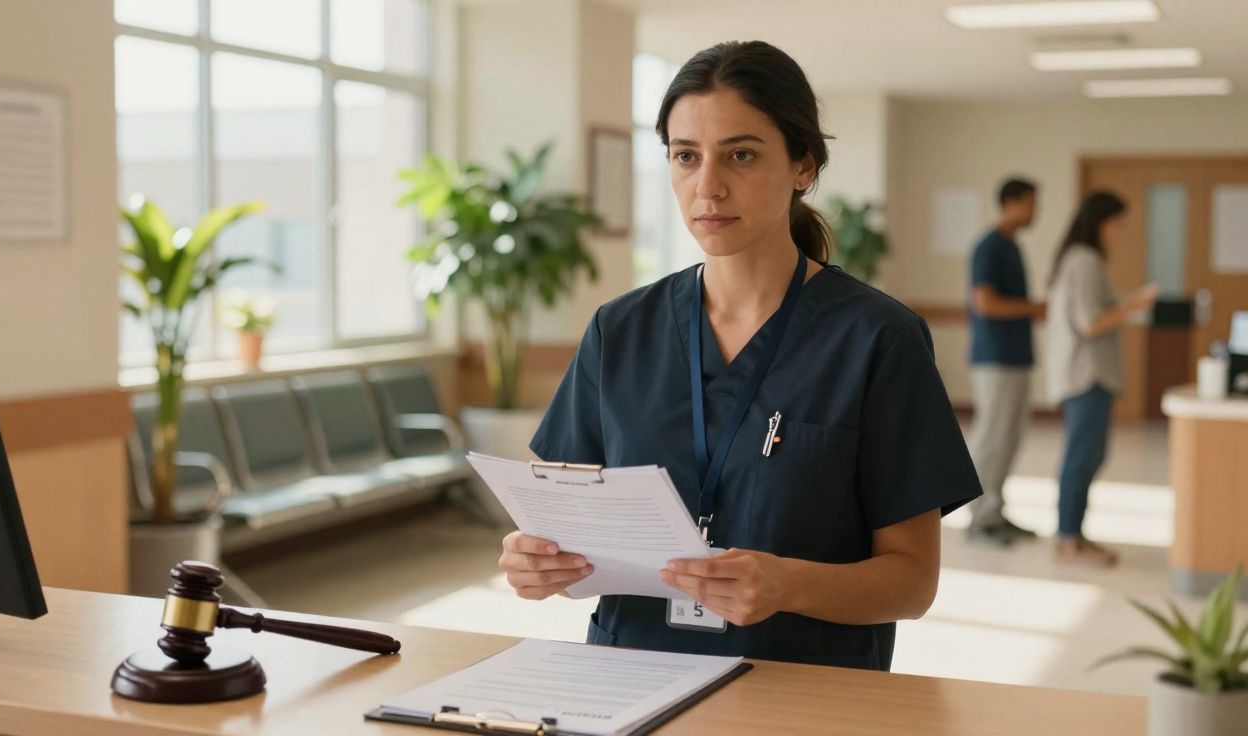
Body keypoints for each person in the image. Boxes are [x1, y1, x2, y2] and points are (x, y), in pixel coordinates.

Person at [495, 40, 981, 671]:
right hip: (627, 679)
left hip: (805, 689)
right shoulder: (620, 332)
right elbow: (568, 531)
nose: (709, 187)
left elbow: (912, 583)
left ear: (803, 166)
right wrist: (536, 563)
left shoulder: (876, 338)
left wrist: (787, 585)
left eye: (741, 155)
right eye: (686, 156)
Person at [1046, 191, 1157, 566]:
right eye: (1117, 224)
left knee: (1088, 455)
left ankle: (1072, 534)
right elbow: (1091, 322)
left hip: (1086, 375)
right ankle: (1068, 538)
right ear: (1100, 222)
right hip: (1086, 376)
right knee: (1082, 457)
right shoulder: (1084, 260)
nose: (1119, 233)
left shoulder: (1079, 260)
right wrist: (1134, 304)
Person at [965, 178, 1046, 547]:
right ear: (1010, 203)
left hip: (1016, 357)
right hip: (995, 358)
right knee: (992, 437)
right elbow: (985, 303)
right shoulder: (989, 247)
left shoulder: (1013, 247)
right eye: (1030, 203)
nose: (1035, 212)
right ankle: (979, 517)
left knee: (1010, 438)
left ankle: (995, 510)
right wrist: (1035, 308)